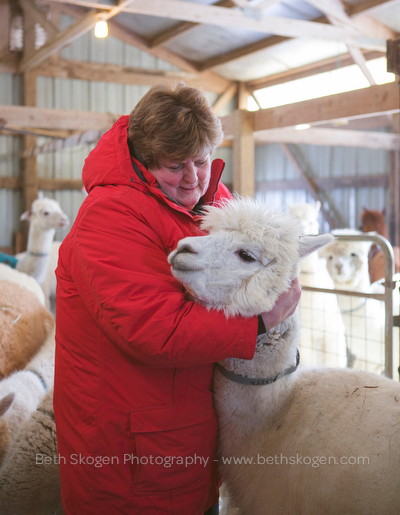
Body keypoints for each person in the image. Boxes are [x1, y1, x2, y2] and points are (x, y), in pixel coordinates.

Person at [53, 82, 301, 515]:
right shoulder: (110, 217)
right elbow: (154, 329)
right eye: (174, 165)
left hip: (184, 439)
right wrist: (258, 323)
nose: (192, 178)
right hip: (128, 458)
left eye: (201, 161)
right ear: (144, 161)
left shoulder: (211, 204)